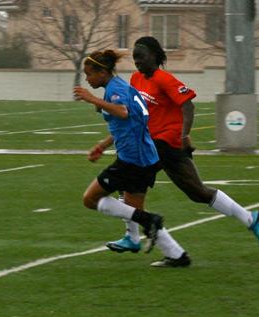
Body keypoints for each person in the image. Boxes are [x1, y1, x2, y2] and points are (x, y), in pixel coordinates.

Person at [106, 36, 259, 267]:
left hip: (167, 143)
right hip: (150, 144)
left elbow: (188, 104)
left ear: (155, 57)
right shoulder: (136, 79)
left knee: (128, 180)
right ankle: (248, 219)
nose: (137, 62)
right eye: (135, 58)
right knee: (197, 192)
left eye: (142, 57)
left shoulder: (164, 79)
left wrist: (184, 134)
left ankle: (135, 238)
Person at [73, 49, 190, 265]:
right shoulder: (122, 86)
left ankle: (148, 222)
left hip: (132, 159)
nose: (87, 79)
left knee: (90, 199)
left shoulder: (116, 90)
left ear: (102, 72)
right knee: (134, 209)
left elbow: (123, 112)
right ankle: (177, 255)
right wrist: (103, 144)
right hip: (145, 157)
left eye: (89, 74)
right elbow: (130, 121)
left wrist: (93, 100)